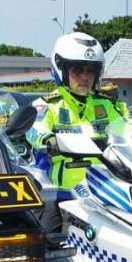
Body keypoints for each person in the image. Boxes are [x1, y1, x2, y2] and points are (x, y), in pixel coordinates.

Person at [26, 31, 123, 231]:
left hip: (103, 190)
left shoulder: (105, 105)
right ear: (61, 70)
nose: (85, 77)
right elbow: (33, 130)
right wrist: (48, 140)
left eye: (91, 71)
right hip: (61, 194)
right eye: (78, 70)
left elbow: (128, 131)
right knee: (41, 243)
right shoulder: (48, 105)